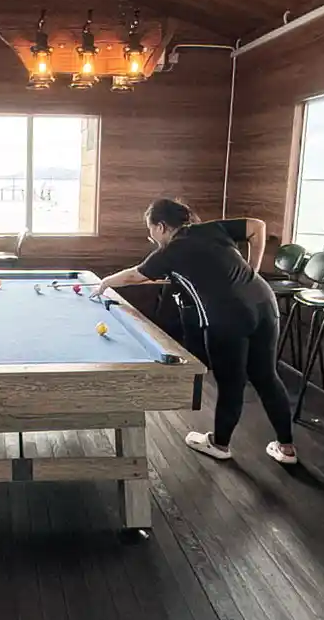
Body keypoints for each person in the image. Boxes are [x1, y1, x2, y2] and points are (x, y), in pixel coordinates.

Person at [93, 198, 298, 465]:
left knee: (231, 382)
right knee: (267, 376)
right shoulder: (212, 229)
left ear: (162, 226)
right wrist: (254, 269)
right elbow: (257, 226)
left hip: (227, 317)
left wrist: (105, 282)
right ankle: (287, 449)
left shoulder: (171, 251)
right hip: (264, 304)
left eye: (151, 230)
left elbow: (136, 275)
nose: (151, 237)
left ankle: (220, 444)